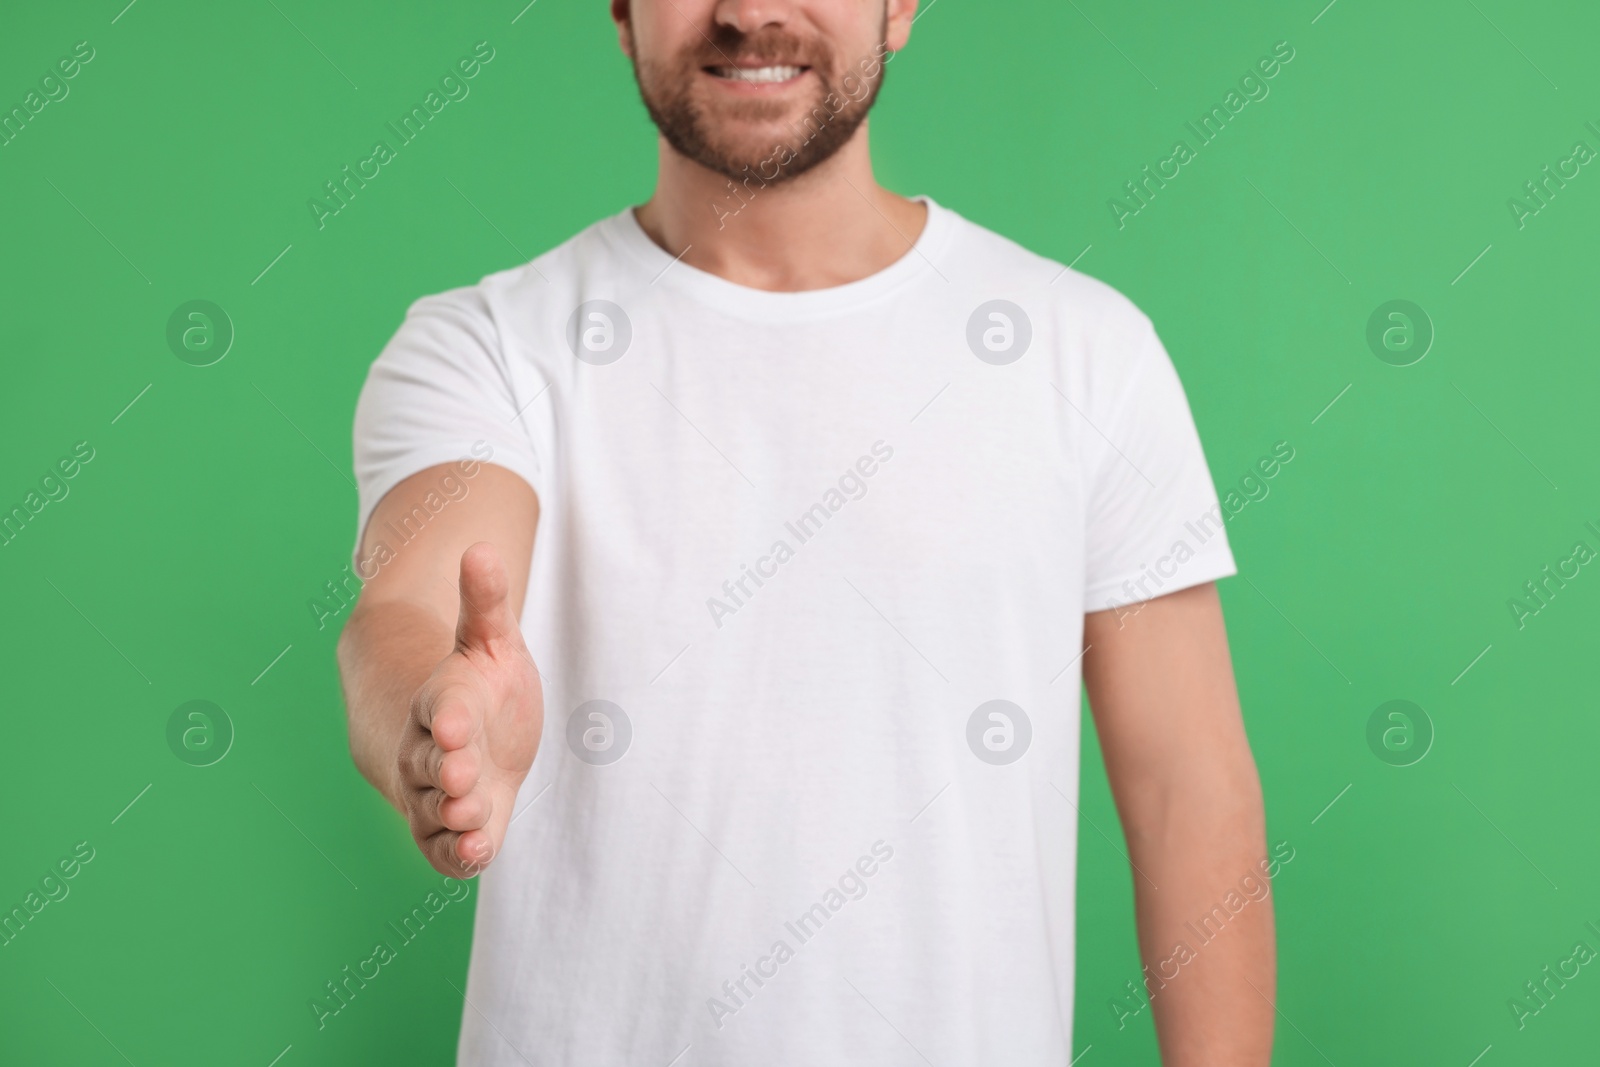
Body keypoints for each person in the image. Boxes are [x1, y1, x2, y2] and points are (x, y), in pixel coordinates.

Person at [337, 1, 1276, 1063]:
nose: (749, 11)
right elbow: (410, 609)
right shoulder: (488, 348)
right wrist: (433, 715)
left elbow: (1186, 792)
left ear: (902, 5)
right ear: (619, 10)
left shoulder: (1086, 353)